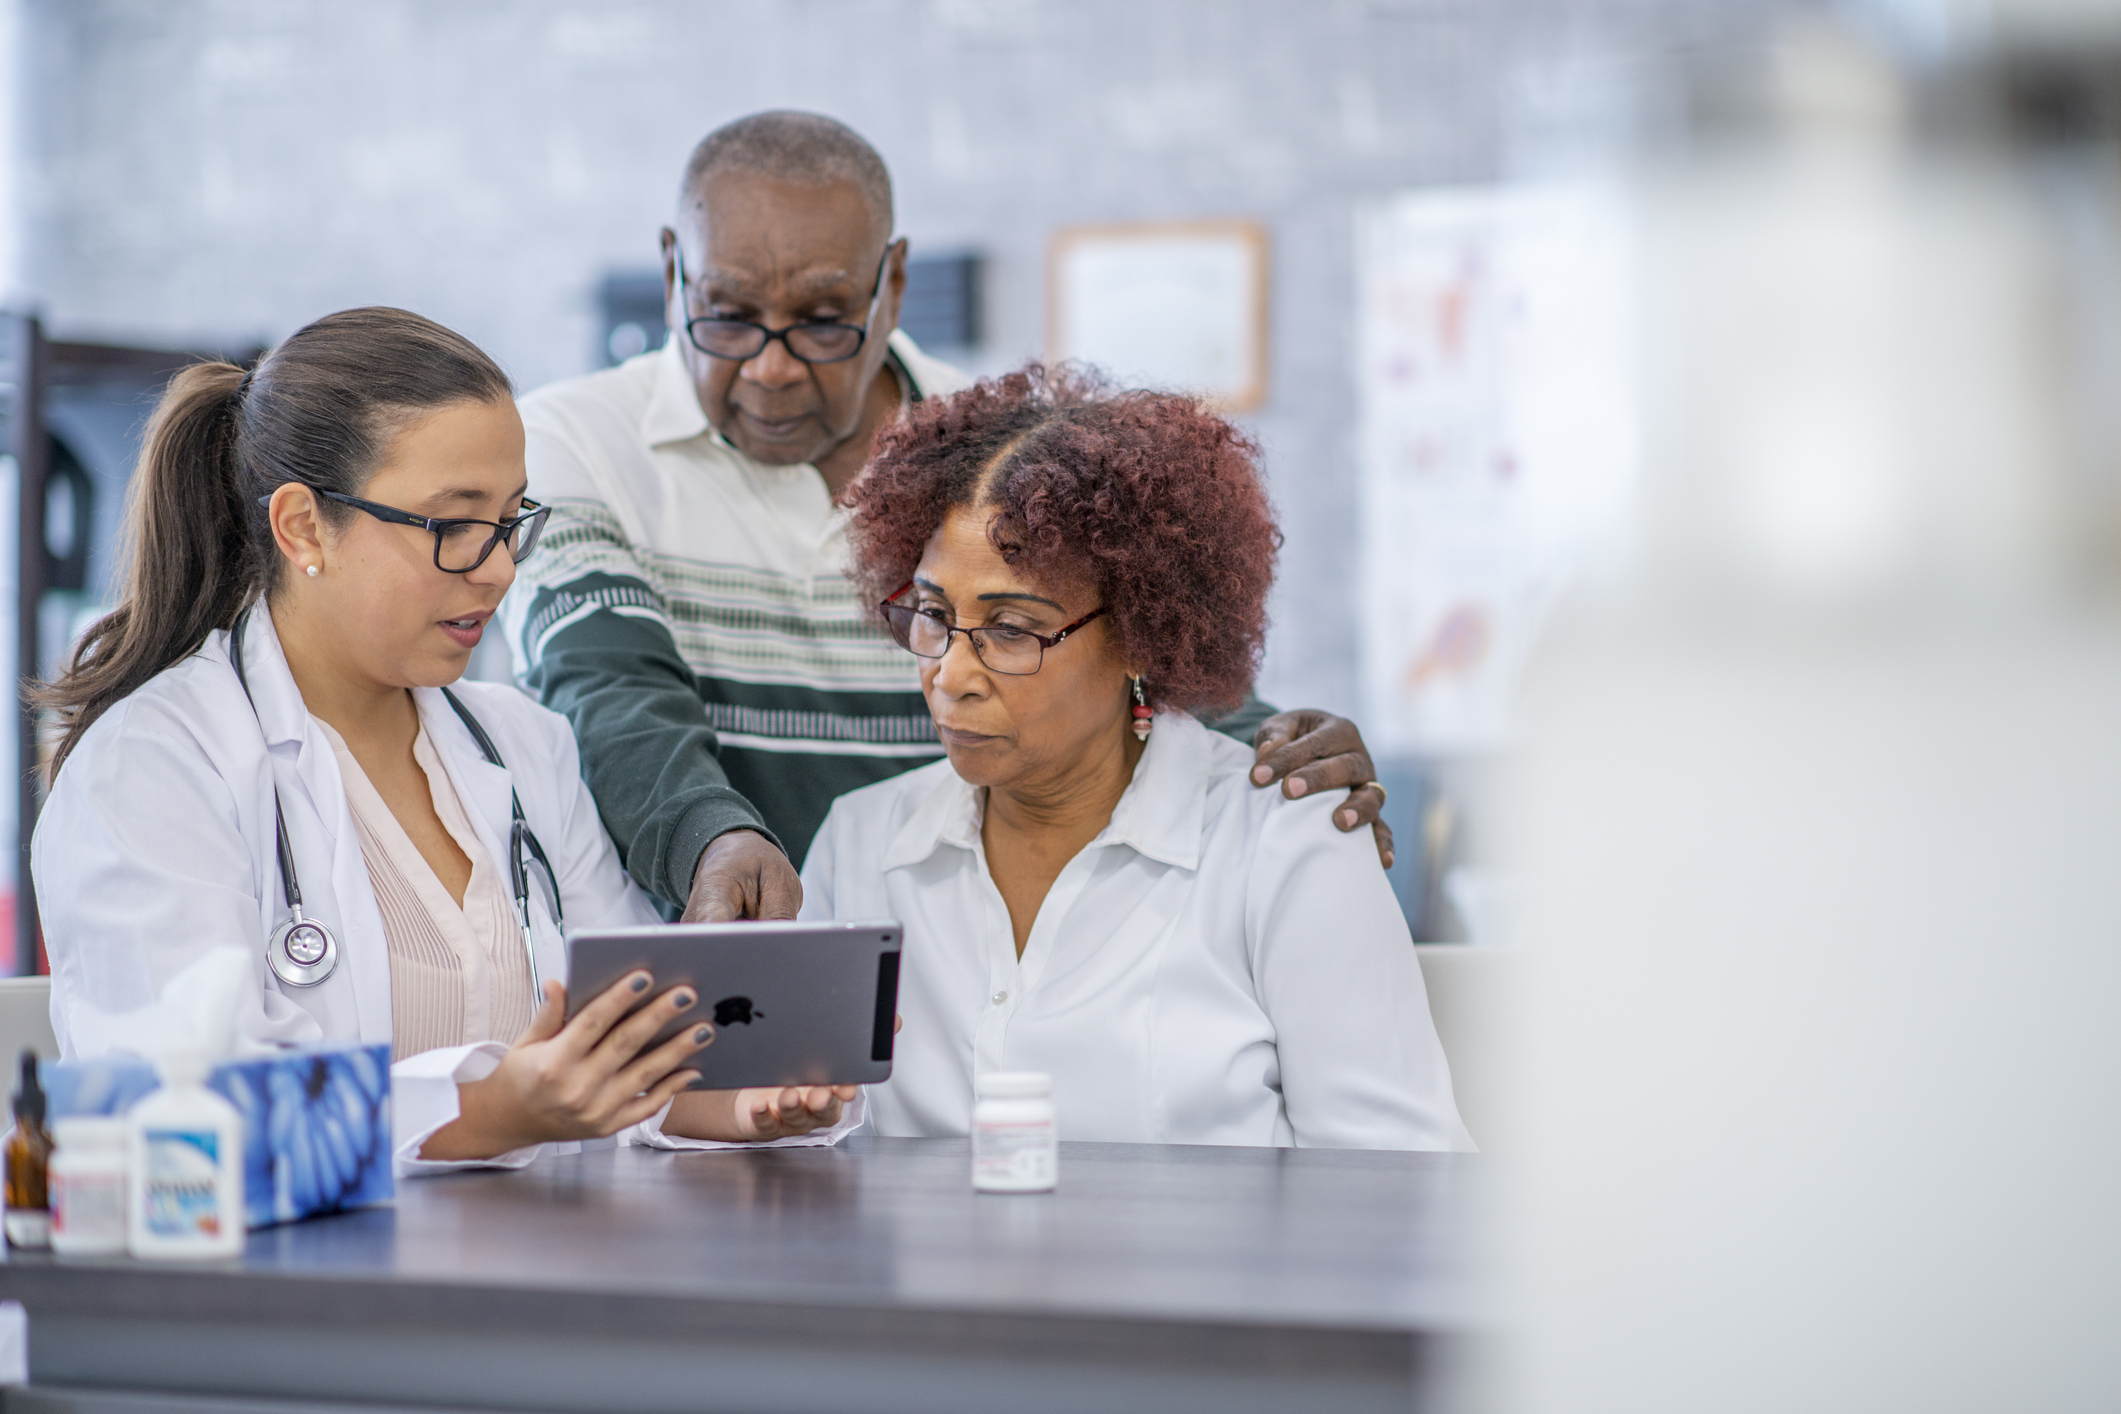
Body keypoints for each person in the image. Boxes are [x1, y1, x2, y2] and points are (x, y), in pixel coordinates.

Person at [503, 110, 1396, 927]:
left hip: (964, 971)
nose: (770, 369)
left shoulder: (994, 458)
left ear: (890, 286)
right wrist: (707, 837)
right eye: (728, 317)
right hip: (695, 983)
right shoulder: (566, 443)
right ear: (672, 272)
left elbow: (1123, 651)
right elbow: (610, 694)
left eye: (821, 322)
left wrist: (1276, 746)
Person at [32, 308, 857, 1176]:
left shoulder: (519, 746)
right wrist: (489, 1113)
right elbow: (184, 1124)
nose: (499, 567)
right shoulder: (152, 768)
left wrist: (733, 1102)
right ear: (304, 526)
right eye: (454, 527)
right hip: (274, 1296)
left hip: (519, 1279)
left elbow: (616, 1044)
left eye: (509, 521)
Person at [802, 367, 1471, 1150]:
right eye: (933, 616)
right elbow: (802, 1144)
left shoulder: (1284, 847)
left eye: (1011, 629)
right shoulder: (859, 846)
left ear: (1136, 639)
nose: (949, 674)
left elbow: (1396, 1182)